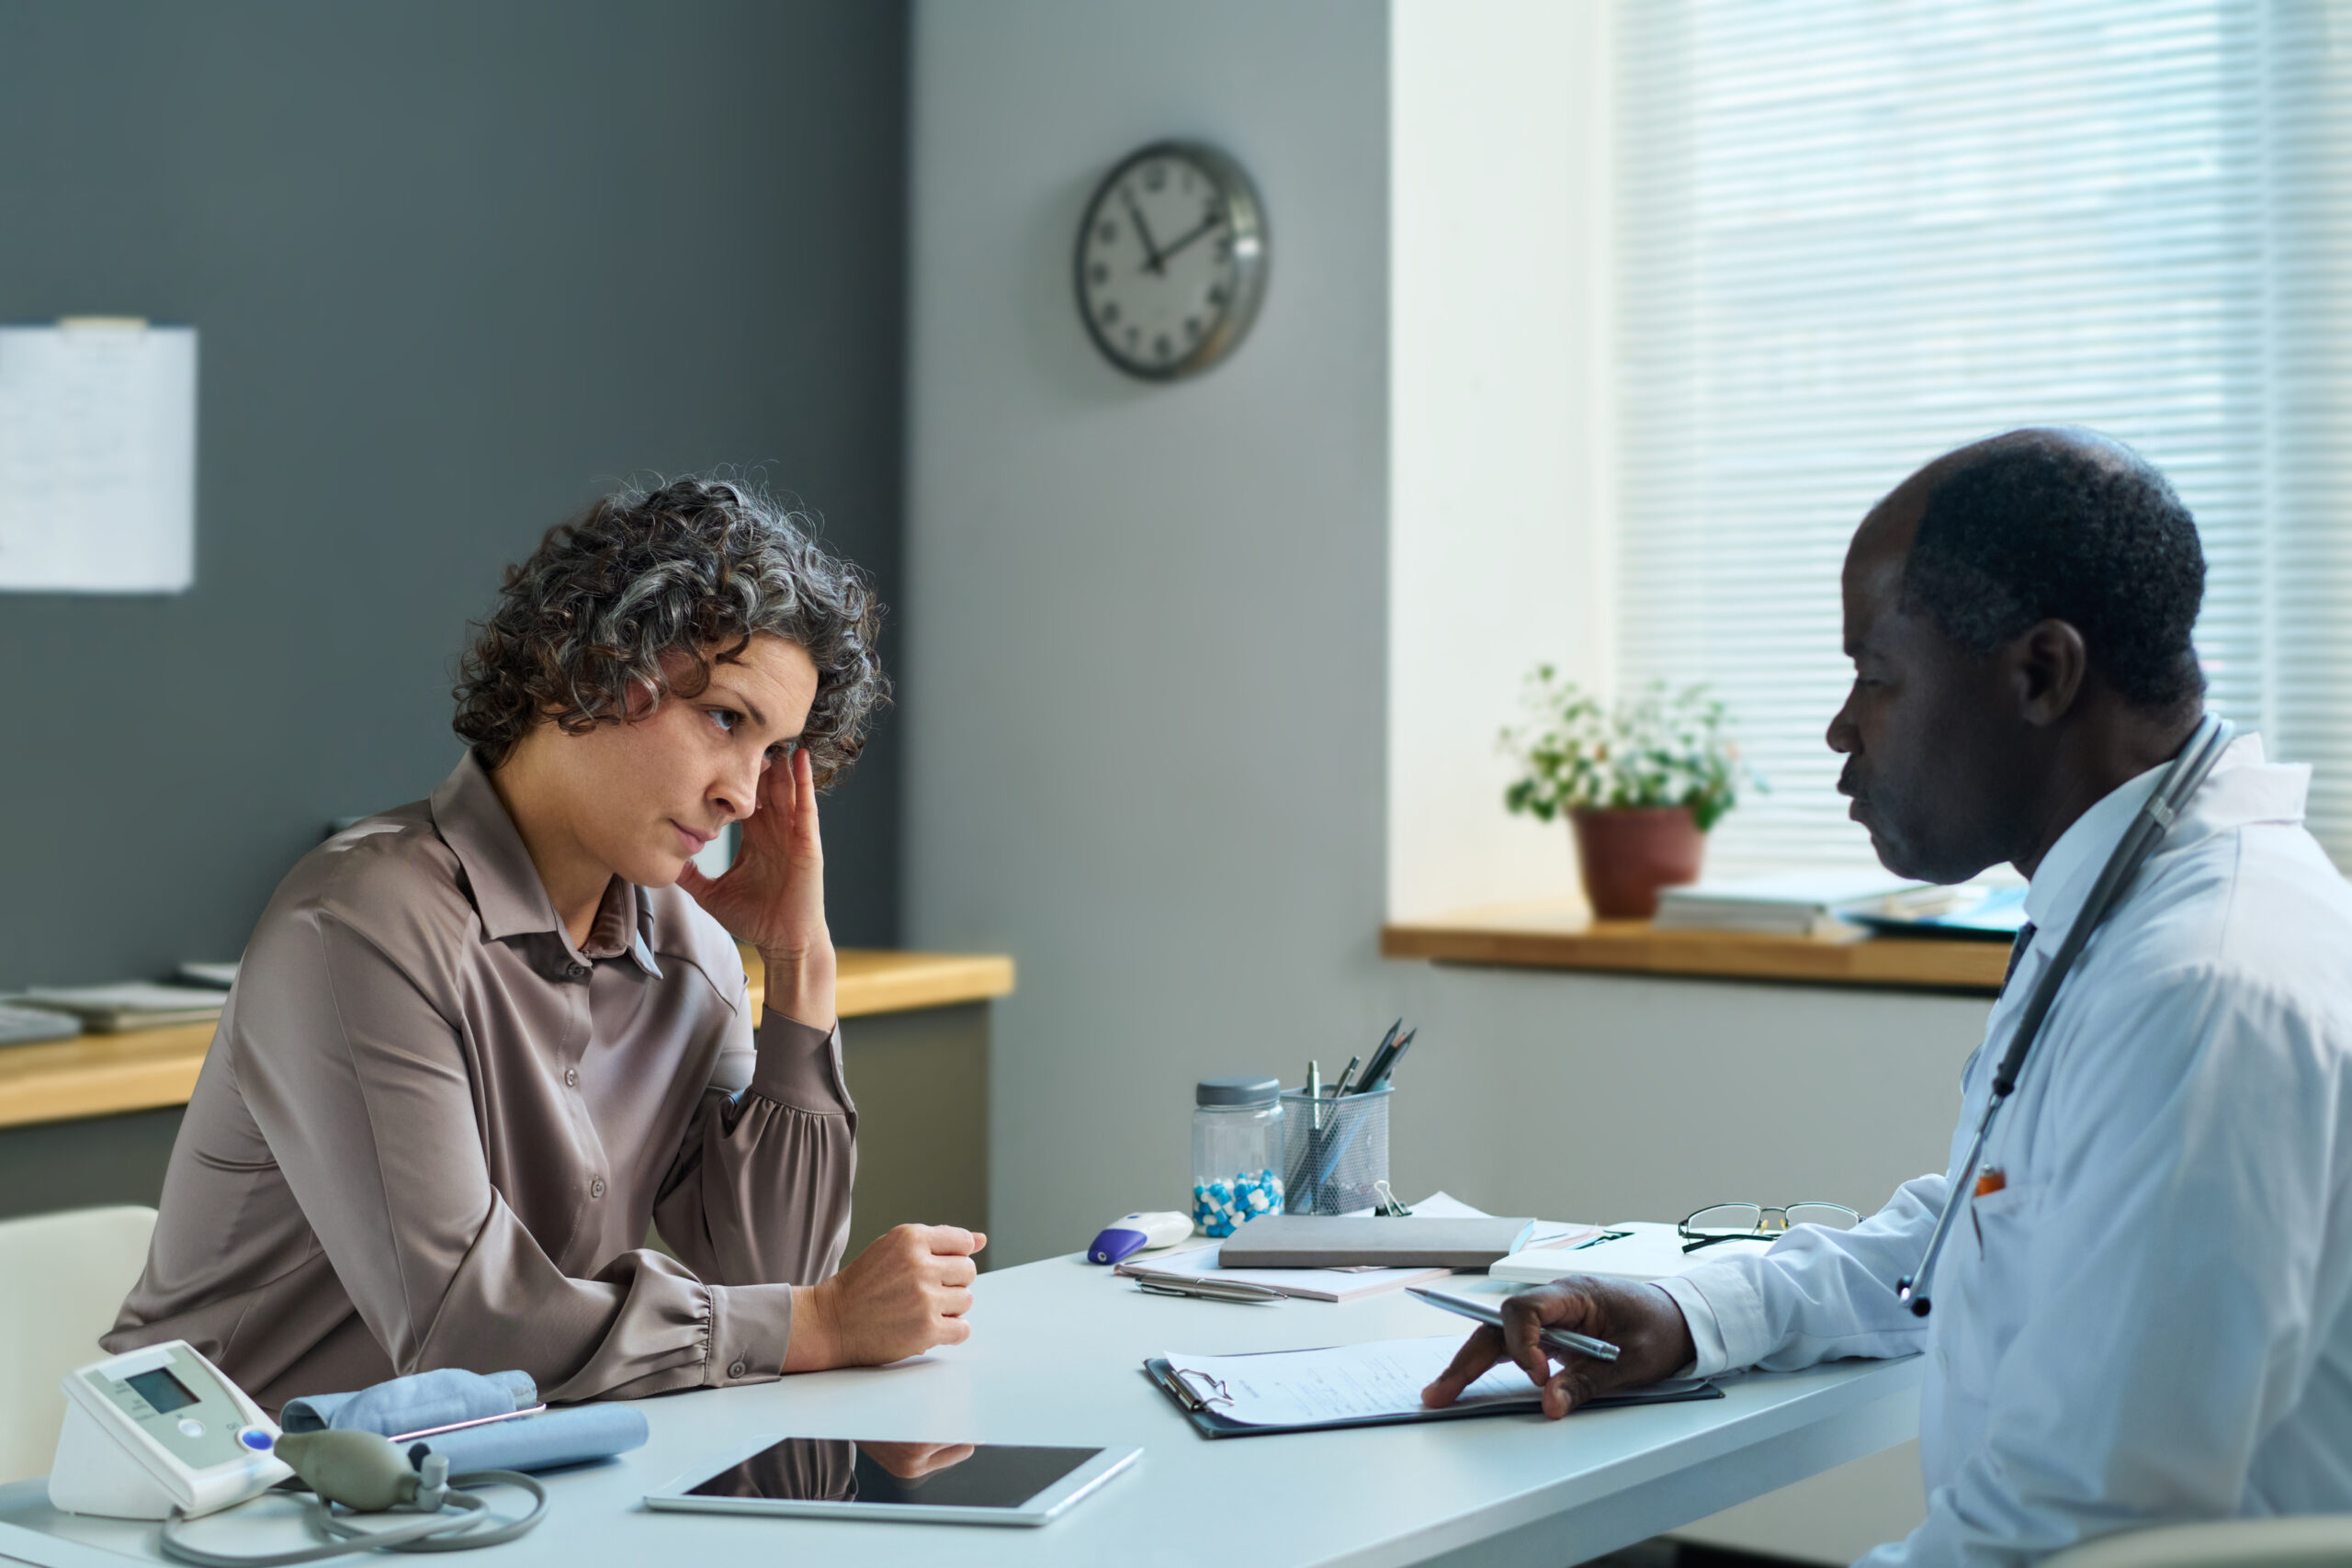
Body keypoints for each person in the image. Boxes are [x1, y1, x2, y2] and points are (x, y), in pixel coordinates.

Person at [1424, 429, 2352, 1565]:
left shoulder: (2202, 987)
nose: (1840, 726)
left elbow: (2077, 1528)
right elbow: (1985, 1229)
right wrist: (1698, 1314)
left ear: (2040, 676)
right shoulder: (2131, 901)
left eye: (1875, 673)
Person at [107, 477, 984, 1410]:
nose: (744, 793)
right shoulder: (360, 925)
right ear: (589, 667)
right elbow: (463, 1329)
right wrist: (825, 1324)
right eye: (725, 719)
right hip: (234, 1510)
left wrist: (800, 962)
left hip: (488, 1488)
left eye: (773, 754)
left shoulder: (691, 956)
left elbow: (772, 1268)